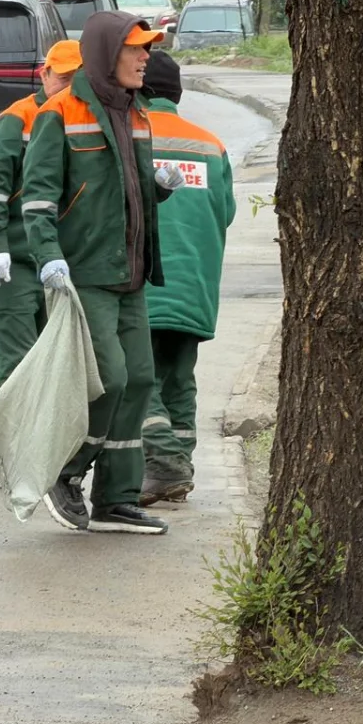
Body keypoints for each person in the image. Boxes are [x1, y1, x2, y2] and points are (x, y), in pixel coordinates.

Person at [19, 10, 187, 534]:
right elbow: (38, 202)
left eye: (147, 49)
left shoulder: (136, 113)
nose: (146, 58)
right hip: (84, 274)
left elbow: (127, 191)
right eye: (136, 49)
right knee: (108, 379)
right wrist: (48, 259)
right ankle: (65, 474)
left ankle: (115, 498)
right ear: (106, 54)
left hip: (131, 275)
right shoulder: (60, 113)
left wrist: (159, 184)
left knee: (138, 379)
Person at [0, 39, 84, 484]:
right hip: (16, 259)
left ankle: (34, 449)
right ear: (44, 73)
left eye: (77, 78)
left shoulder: (78, 116)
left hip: (56, 258)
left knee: (49, 359)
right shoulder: (17, 118)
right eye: (62, 77)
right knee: (13, 355)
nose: (67, 85)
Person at [137, 51, 236, 506]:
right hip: (196, 283)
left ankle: (165, 464)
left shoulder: (132, 135)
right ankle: (180, 469)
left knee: (139, 379)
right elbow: (226, 212)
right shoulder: (212, 145)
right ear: (177, 95)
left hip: (142, 284)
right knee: (179, 378)